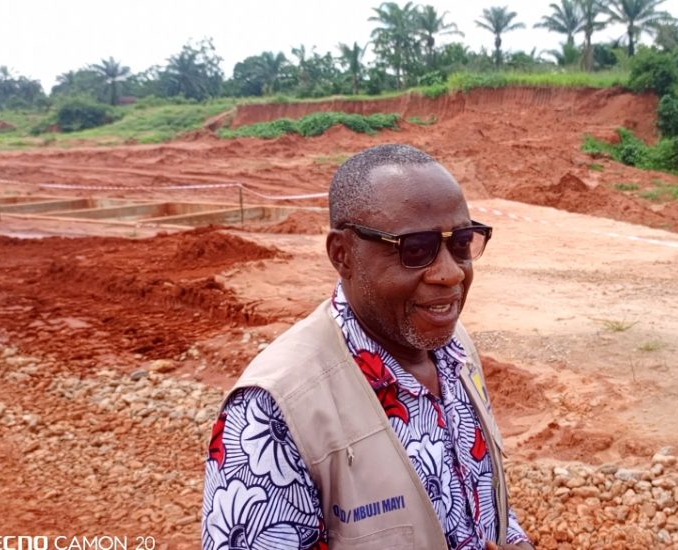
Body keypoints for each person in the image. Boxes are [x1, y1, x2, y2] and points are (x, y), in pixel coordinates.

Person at [202, 144, 533, 549]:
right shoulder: (273, 410)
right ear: (343, 254)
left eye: (462, 243)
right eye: (415, 249)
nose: (451, 273)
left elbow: (480, 496)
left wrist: (514, 539)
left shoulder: (454, 348)